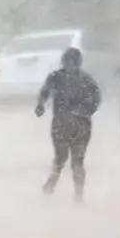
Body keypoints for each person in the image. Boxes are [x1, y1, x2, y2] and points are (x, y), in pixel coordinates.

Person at [35, 47, 101, 202]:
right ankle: (78, 195)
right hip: (80, 124)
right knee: (77, 161)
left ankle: (54, 182)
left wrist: (40, 105)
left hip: (63, 123)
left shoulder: (56, 77)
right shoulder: (87, 80)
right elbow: (96, 99)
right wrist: (85, 112)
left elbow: (44, 92)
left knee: (61, 158)